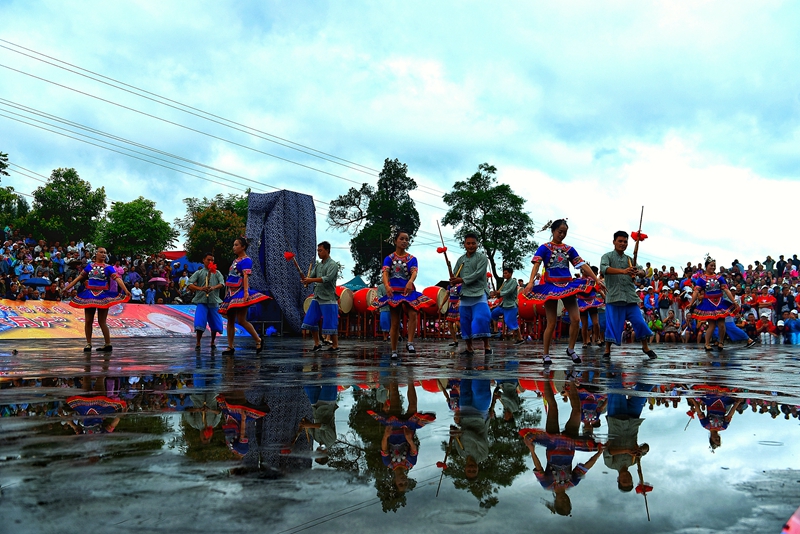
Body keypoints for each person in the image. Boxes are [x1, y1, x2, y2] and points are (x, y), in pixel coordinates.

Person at [522, 220, 605, 365]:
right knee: (551, 322)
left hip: (567, 286)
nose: (562, 235)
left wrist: (596, 279)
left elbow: (582, 265)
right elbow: (536, 265)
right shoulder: (544, 248)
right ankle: (546, 354)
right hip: (550, 287)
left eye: (564, 233)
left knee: (576, 319)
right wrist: (530, 282)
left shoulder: (569, 249)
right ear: (553, 231)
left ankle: (571, 349)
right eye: (560, 232)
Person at [599, 231, 657, 359]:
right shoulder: (607, 256)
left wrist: (639, 272)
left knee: (640, 322)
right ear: (614, 242)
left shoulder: (630, 259)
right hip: (614, 297)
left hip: (630, 298)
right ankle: (607, 350)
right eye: (620, 241)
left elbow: (642, 272)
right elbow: (604, 269)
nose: (622, 244)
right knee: (612, 325)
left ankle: (645, 347)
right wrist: (623, 271)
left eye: (625, 241)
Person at [62, 247, 131, 352]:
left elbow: (117, 279)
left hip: (103, 295)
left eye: (105, 253)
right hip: (89, 294)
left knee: (102, 321)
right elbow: (79, 278)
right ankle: (88, 343)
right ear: (96, 254)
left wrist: (125, 290)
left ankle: (108, 344)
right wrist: (67, 288)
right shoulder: (89, 266)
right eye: (101, 252)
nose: (103, 254)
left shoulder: (108, 267)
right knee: (88, 320)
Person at [377, 230, 431, 358]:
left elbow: (414, 272)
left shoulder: (412, 259)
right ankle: (394, 351)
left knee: (413, 314)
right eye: (401, 239)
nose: (404, 241)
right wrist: (387, 286)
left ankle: (410, 342)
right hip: (394, 291)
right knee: (395, 322)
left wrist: (410, 282)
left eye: (406, 239)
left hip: (408, 291)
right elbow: (385, 273)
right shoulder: (389, 258)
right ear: (395, 241)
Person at [220, 236, 270, 354]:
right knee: (230, 320)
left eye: (236, 245)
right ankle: (230, 346)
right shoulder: (235, 261)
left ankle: (258, 339)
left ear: (243, 247)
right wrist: (227, 294)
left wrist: (246, 292)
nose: (234, 247)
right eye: (234, 245)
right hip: (231, 292)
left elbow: (246, 277)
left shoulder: (247, 260)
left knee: (242, 320)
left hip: (240, 291)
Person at [451, 233, 493, 356]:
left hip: (479, 292)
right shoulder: (461, 259)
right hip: (465, 295)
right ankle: (469, 348)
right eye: (468, 243)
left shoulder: (482, 258)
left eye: (473, 243)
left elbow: (478, 274)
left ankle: (487, 346)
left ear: (477, 244)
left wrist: (461, 280)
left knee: (482, 318)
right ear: (464, 244)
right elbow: (455, 274)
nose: (471, 246)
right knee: (465, 321)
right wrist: (453, 279)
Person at [687, 257, 739, 351]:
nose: (713, 267)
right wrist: (691, 303)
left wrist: (733, 301)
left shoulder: (719, 278)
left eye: (714, 266)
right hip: (708, 304)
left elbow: (726, 290)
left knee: (721, 324)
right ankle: (707, 344)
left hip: (720, 302)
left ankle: (721, 342)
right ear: (706, 266)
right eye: (711, 265)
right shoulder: (701, 279)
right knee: (712, 325)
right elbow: (696, 292)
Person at [301, 241, 341, 352]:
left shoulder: (333, 265)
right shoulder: (318, 265)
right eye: (318, 251)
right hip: (317, 297)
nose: (318, 253)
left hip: (328, 297)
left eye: (320, 250)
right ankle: (317, 343)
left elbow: (327, 279)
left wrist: (311, 280)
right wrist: (306, 279)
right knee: (310, 320)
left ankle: (335, 345)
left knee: (330, 323)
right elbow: (312, 276)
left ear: (327, 250)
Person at [188, 252, 226, 351]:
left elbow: (222, 283)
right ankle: (198, 342)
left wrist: (213, 287)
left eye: (212, 260)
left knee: (215, 322)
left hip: (213, 301)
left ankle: (213, 341)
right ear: (203, 260)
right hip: (202, 300)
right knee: (200, 321)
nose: (210, 261)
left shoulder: (217, 273)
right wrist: (200, 288)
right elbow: (189, 284)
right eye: (208, 260)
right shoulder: (199, 273)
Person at [490, 266, 525, 344]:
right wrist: (496, 293)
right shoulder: (504, 283)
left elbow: (509, 291)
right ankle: (496, 331)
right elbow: (500, 293)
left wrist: (500, 293)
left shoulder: (513, 282)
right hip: (503, 305)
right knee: (493, 313)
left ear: (510, 274)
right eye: (504, 273)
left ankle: (520, 338)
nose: (504, 274)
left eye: (506, 273)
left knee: (510, 322)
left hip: (511, 305)